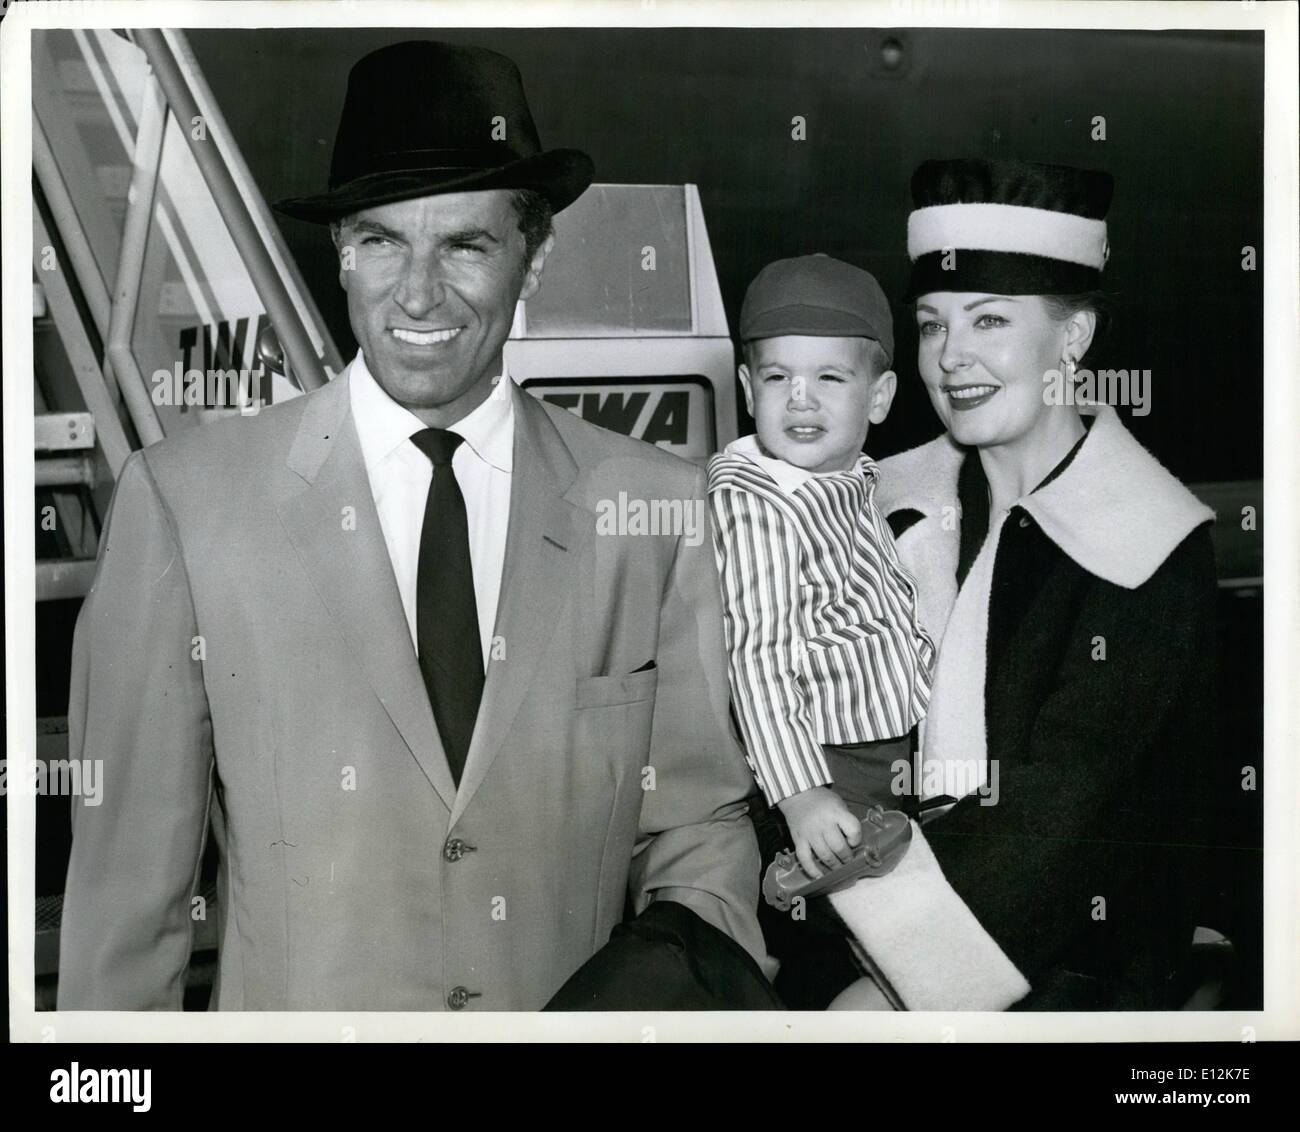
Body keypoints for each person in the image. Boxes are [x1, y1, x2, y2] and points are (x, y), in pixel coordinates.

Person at [58, 39, 772, 1012]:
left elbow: (700, 833)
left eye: (466, 244)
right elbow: (125, 910)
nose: (418, 293)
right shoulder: (188, 501)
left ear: (532, 254)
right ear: (341, 249)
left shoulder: (654, 506)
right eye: (383, 240)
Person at [827, 158, 1218, 1011]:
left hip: (1074, 972)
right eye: (932, 325)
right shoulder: (875, 500)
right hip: (850, 919)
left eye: (990, 320)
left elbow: (1060, 822)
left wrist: (890, 986)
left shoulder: (1152, 546)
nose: (951, 358)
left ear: (1073, 339)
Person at [707, 255, 935, 1009]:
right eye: (776, 378)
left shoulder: (853, 479)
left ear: (880, 397)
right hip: (821, 765)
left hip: (892, 755)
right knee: (834, 943)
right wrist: (802, 797)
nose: (800, 400)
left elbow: (890, 614)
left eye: (830, 379)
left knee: (894, 938)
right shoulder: (758, 501)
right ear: (746, 390)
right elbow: (758, 659)